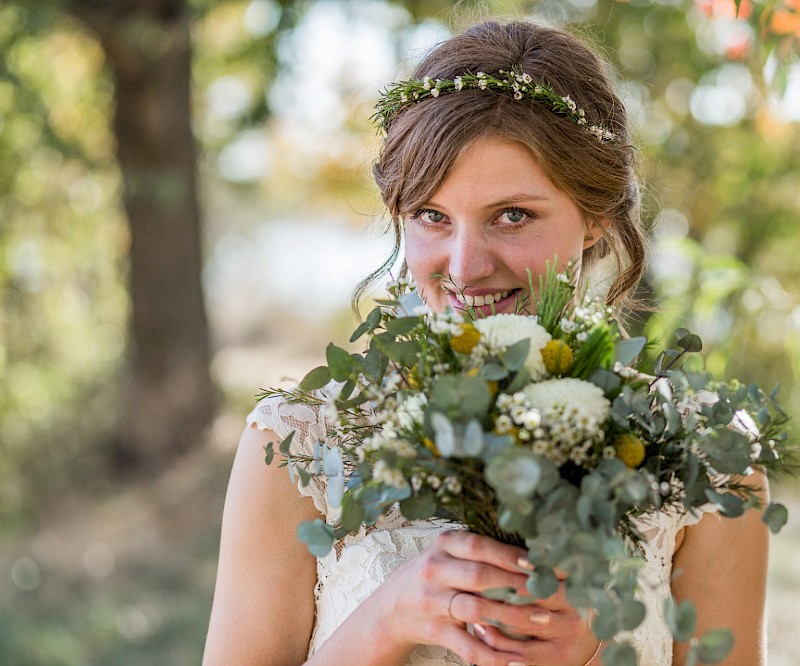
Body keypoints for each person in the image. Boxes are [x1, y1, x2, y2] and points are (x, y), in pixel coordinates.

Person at [204, 20, 768, 666]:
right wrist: (386, 622)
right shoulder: (297, 445)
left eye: (513, 216)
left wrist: (597, 648)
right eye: (432, 217)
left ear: (594, 220)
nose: (465, 266)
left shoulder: (706, 464)